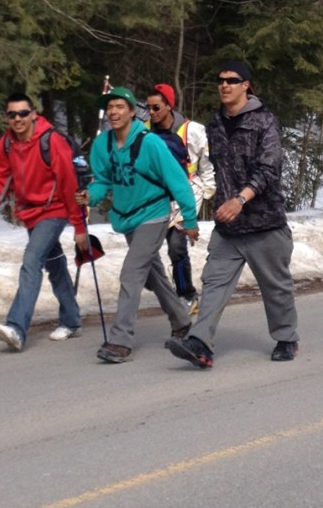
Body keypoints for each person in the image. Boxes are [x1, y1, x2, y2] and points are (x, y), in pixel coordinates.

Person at [165, 60, 299, 369]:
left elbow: (269, 169)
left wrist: (240, 199)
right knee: (213, 282)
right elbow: (209, 168)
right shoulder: (214, 123)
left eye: (232, 80)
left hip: (265, 222)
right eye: (221, 80)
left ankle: (286, 338)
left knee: (275, 287)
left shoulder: (264, 121)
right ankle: (200, 343)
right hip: (228, 225)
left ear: (246, 86)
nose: (224, 85)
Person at [76, 86, 199, 364]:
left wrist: (189, 220)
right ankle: (181, 321)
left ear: (132, 112)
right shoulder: (103, 144)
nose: (113, 112)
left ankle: (120, 341)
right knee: (152, 275)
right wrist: (88, 196)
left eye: (120, 107)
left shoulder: (150, 143)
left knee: (131, 274)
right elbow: (103, 182)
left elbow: (178, 182)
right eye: (110, 108)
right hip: (127, 217)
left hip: (154, 214)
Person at [0, 91, 88, 352]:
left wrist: (79, 227)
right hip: (29, 212)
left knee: (31, 260)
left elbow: (70, 185)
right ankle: (71, 320)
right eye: (12, 114)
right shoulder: (7, 144)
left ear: (34, 114)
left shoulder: (52, 141)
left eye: (23, 113)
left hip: (54, 210)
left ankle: (17, 327)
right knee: (55, 265)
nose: (18, 118)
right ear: (7, 118)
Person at [145, 83, 216, 313]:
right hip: (158, 195)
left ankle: (187, 295)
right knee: (148, 244)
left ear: (168, 106)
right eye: (149, 108)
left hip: (188, 190)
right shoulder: (145, 131)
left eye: (156, 107)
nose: (152, 112)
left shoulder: (191, 130)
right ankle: (155, 283)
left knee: (176, 245)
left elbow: (206, 162)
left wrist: (208, 190)